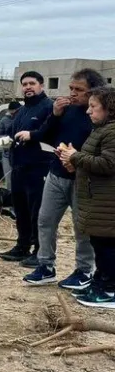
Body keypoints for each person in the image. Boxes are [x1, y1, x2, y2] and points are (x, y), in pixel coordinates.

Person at [15, 69, 103, 287]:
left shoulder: (100, 116)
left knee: (81, 227)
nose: (73, 94)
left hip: (82, 178)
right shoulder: (66, 109)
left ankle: (84, 270)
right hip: (56, 174)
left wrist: (77, 159)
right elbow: (46, 134)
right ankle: (46, 266)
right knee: (45, 220)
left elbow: (103, 150)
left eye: (79, 90)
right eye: (71, 88)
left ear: (93, 92)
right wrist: (54, 114)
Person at [58, 85, 115, 308]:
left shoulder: (112, 132)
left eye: (93, 107)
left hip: (107, 206)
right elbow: (94, 163)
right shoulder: (101, 129)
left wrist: (76, 156)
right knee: (100, 246)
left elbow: (109, 164)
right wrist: (73, 162)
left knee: (108, 248)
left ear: (109, 109)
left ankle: (110, 291)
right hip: (97, 203)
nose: (88, 111)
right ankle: (101, 282)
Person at [0, 72, 53, 263]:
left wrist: (34, 135)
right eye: (25, 84)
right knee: (20, 209)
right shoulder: (21, 111)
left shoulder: (49, 107)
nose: (28, 87)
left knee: (38, 211)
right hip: (18, 166)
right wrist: (5, 141)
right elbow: (14, 135)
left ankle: (40, 251)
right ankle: (22, 246)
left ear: (41, 85)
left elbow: (52, 134)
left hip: (39, 168)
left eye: (32, 83)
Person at [0, 101, 21, 190]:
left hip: (22, 154)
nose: (14, 114)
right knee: (9, 181)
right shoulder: (4, 120)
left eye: (16, 112)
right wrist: (8, 141)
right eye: (12, 112)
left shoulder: (23, 118)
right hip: (7, 155)